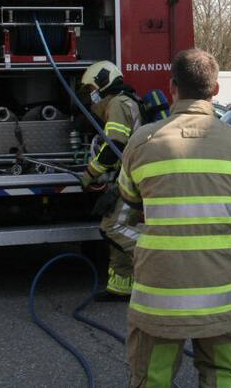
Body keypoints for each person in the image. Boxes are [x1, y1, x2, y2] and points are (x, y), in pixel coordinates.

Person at [117, 48, 231, 387]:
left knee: (151, 379)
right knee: (225, 376)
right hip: (223, 295)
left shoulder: (142, 142)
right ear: (215, 90)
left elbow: (129, 199)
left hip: (159, 297)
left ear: (172, 87)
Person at [76, 60, 169, 302]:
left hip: (133, 177)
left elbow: (115, 144)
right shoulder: (130, 100)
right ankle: (121, 286)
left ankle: (163, 260)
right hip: (133, 174)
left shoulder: (117, 103)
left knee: (112, 227)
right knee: (120, 221)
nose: (91, 96)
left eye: (91, 89)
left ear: (102, 84)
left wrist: (90, 173)